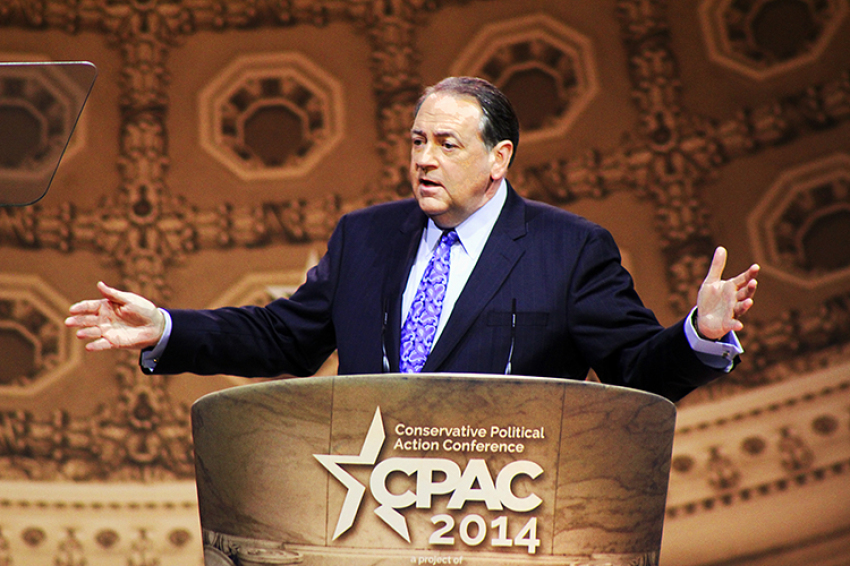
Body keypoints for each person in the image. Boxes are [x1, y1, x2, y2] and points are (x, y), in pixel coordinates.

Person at [65, 77, 759, 402]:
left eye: (447, 144)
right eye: (417, 141)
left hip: (502, 515)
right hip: (369, 508)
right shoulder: (366, 236)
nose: (424, 159)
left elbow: (636, 371)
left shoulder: (570, 249)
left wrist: (699, 332)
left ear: (500, 158)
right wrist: (165, 328)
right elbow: (283, 338)